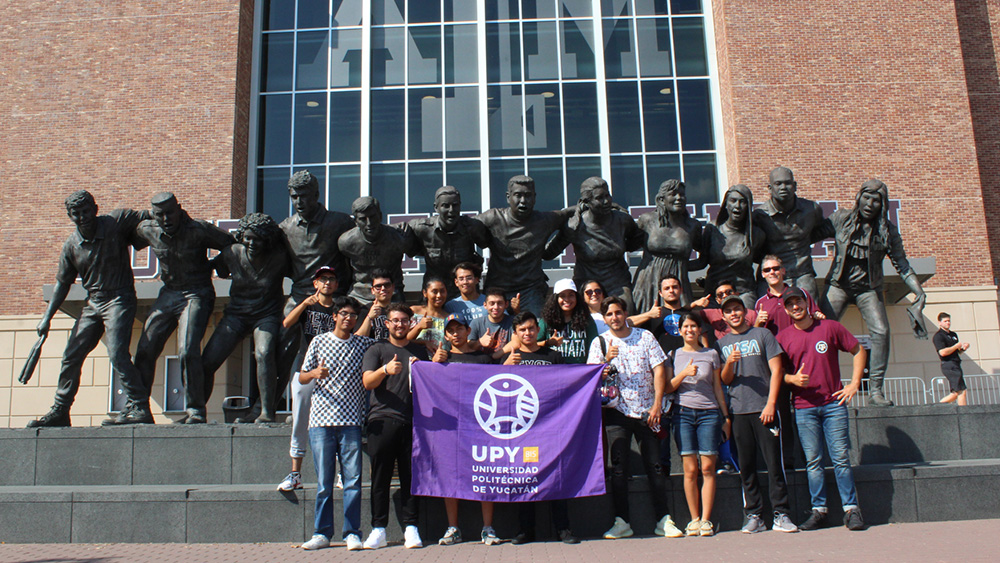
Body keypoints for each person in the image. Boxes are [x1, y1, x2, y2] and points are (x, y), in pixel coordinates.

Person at [111, 192, 234, 426]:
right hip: (169, 293)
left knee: (187, 350)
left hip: (197, 292)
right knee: (146, 349)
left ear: (179, 208)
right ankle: (137, 407)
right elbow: (122, 236)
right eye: (160, 215)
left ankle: (195, 409)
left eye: (170, 212)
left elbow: (230, 244)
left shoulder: (199, 230)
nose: (166, 218)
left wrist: (217, 265)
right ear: (153, 215)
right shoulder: (148, 229)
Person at [28, 191, 149, 428]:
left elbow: (152, 215)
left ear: (95, 208)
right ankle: (61, 410)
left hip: (119, 298)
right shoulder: (71, 246)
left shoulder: (116, 222)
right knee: (71, 355)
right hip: (93, 302)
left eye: (85, 211)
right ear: (69, 215)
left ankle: (139, 406)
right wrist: (47, 318)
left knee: (117, 353)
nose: (82, 217)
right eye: (76, 213)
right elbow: (63, 284)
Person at [820, 179, 928, 406]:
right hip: (838, 286)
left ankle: (875, 390)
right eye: (867, 197)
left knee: (881, 331)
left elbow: (903, 265)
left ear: (882, 204)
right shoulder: (840, 218)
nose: (870, 203)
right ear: (859, 197)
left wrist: (919, 293)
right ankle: (823, 387)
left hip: (868, 289)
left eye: (876, 200)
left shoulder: (887, 231)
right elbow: (807, 236)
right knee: (820, 333)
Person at [587, 296, 683, 540]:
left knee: (655, 466)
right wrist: (606, 361)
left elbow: (659, 369)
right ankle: (622, 521)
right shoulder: (599, 342)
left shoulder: (645, 337)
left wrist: (657, 405)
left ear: (625, 313)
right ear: (604, 317)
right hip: (616, 412)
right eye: (609, 314)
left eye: (618, 313)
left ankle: (664, 519)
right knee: (619, 469)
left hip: (647, 411)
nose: (614, 318)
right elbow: (590, 378)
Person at [777, 287, 867, 532]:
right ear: (785, 309)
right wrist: (791, 380)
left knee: (840, 458)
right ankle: (819, 511)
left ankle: (851, 510)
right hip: (804, 408)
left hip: (833, 405)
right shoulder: (783, 338)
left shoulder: (829, 328)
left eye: (798, 302)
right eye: (790, 304)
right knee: (813, 462)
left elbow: (858, 350)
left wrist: (854, 384)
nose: (795, 307)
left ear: (807, 303)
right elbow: (776, 374)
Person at [716, 295, 798, 533]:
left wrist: (771, 403)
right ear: (723, 316)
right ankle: (754, 515)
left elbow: (777, 370)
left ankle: (781, 514)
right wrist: (729, 363)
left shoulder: (763, 335)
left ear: (745, 312)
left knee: (774, 464)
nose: (734, 314)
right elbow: (725, 380)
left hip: (765, 409)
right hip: (739, 410)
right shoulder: (722, 344)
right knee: (747, 466)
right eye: (729, 311)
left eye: (737, 309)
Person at [277, 170, 354, 420]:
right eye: (294, 196)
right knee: (282, 344)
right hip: (300, 296)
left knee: (328, 350)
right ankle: (270, 404)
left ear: (317, 195)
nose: (299, 201)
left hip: (332, 298)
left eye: (304, 196)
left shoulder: (340, 222)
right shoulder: (285, 228)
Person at [298, 296, 374, 551]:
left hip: (351, 422)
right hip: (320, 422)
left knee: (353, 481)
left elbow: (391, 348)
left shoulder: (364, 344)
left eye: (353, 315)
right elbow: (301, 376)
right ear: (335, 316)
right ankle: (322, 533)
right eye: (343, 313)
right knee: (324, 483)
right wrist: (314, 374)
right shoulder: (319, 341)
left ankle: (352, 532)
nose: (348, 318)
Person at [200, 213, 290, 423]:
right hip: (236, 315)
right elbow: (219, 270)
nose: (251, 243)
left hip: (266, 315)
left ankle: (267, 412)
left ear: (267, 240)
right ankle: (196, 411)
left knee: (264, 354)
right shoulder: (231, 253)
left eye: (257, 239)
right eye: (247, 238)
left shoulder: (280, 258)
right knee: (208, 361)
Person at [500, 312, 579, 545]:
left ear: (538, 329)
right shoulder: (511, 358)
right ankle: (526, 530)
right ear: (516, 334)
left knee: (557, 477)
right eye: (522, 330)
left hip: (550, 429)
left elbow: (567, 387)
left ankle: (563, 529)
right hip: (522, 430)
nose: (528, 333)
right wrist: (504, 367)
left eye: (531, 328)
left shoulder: (553, 356)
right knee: (523, 478)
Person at [361, 304, 428, 549]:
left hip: (413, 423)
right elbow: (367, 382)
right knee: (381, 478)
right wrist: (384, 370)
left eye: (404, 320)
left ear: (411, 323)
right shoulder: (376, 348)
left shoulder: (419, 351)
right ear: (387, 324)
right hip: (381, 421)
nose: (399, 324)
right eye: (395, 321)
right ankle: (378, 529)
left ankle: (412, 528)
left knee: (411, 479)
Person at [432, 314, 498, 545]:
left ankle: (488, 528)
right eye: (450, 330)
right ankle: (453, 528)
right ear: (446, 335)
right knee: (451, 475)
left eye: (459, 328)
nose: (455, 333)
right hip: (451, 428)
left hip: (481, 427)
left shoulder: (483, 359)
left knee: (486, 475)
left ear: (468, 331)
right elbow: (428, 386)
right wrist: (435, 365)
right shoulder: (442, 359)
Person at [473, 175, 574, 315]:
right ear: (508, 197)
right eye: (518, 195)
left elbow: (568, 213)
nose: (523, 201)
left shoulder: (544, 220)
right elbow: (465, 228)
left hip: (530, 290)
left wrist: (595, 206)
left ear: (534, 197)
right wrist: (474, 261)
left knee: (536, 330)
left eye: (528, 196)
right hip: (498, 290)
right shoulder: (493, 217)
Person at [277, 266, 339, 492]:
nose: (327, 283)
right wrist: (303, 303)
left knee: (336, 422)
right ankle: (295, 474)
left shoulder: (339, 308)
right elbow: (286, 323)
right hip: (305, 368)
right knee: (300, 421)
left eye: (331, 279)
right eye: (323, 279)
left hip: (334, 372)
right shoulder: (308, 306)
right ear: (316, 283)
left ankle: (340, 474)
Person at [667, 313, 729, 537]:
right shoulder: (674, 354)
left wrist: (726, 416)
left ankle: (706, 520)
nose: (690, 330)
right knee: (690, 470)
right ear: (680, 330)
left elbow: (718, 388)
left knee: (707, 468)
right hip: (682, 414)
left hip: (709, 414)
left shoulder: (711, 353)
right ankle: (693, 519)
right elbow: (667, 387)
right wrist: (683, 373)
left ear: (699, 330)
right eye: (686, 326)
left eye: (694, 326)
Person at [544, 177, 644, 312]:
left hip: (617, 282)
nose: (606, 201)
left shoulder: (623, 220)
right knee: (583, 320)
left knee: (626, 312)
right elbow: (548, 254)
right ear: (587, 202)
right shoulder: (576, 226)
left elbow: (637, 240)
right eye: (600, 198)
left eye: (607, 195)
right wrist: (562, 220)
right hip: (587, 286)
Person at [753, 167, 833, 300]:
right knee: (765, 314)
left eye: (787, 183)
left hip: (802, 274)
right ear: (770, 187)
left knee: (809, 313)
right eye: (778, 184)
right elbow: (753, 250)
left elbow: (819, 232)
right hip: (772, 274)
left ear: (795, 186)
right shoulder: (759, 216)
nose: (783, 187)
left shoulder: (811, 210)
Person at [632, 179, 705, 312]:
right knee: (645, 321)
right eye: (673, 194)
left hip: (678, 284)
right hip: (648, 282)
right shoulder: (647, 220)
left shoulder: (692, 226)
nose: (679, 198)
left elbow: (704, 258)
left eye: (682, 195)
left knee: (682, 322)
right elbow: (628, 245)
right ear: (661, 199)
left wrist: (681, 265)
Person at [408, 186, 490, 297]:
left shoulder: (472, 227)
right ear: (436, 207)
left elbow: (492, 244)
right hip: (436, 296)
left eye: (455, 205)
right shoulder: (421, 228)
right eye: (445, 206)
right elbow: (395, 238)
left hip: (464, 296)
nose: (451, 210)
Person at [338, 196, 419, 305]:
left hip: (392, 296)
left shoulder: (398, 237)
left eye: (372, 217)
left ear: (380, 216)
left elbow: (422, 250)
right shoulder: (346, 242)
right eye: (363, 219)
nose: (369, 223)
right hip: (359, 296)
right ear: (356, 221)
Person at [701, 184, 765, 309]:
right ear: (726, 204)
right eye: (733, 201)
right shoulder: (713, 229)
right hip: (715, 293)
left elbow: (765, 263)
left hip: (744, 292)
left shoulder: (757, 234)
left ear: (748, 206)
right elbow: (702, 261)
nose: (737, 206)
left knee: (747, 323)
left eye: (742, 202)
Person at [755, 255, 823, 336]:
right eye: (767, 270)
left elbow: (816, 318)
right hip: (775, 347)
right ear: (763, 274)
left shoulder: (800, 293)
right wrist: (757, 323)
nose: (772, 272)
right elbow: (757, 334)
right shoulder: (760, 303)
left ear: (783, 271)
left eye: (776, 268)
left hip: (800, 344)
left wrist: (818, 316)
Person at [538, 279, 599, 364]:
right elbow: (532, 345)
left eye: (571, 295)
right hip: (554, 371)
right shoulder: (546, 320)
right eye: (562, 296)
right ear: (555, 298)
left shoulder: (586, 319)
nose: (567, 299)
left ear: (576, 297)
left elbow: (595, 347)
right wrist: (548, 343)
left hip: (580, 371)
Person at [691, 280, 760, 342]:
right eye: (720, 295)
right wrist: (694, 304)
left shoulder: (751, 314)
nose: (725, 296)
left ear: (737, 294)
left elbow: (758, 334)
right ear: (717, 300)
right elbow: (686, 314)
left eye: (728, 292)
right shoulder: (713, 313)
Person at [934, 312, 970, 405]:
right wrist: (955, 346)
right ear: (940, 322)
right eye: (945, 321)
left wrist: (963, 348)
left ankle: (937, 406)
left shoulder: (953, 334)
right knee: (961, 391)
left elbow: (957, 352)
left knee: (956, 393)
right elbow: (942, 352)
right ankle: (963, 414)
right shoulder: (938, 336)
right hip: (948, 365)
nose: (948, 323)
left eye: (949, 321)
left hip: (956, 363)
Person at [469, 288, 515, 360]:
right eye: (492, 303)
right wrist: (479, 342)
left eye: (500, 303)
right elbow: (468, 346)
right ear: (485, 305)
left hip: (506, 364)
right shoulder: (476, 323)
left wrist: (494, 356)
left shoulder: (513, 322)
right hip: (481, 365)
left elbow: (516, 342)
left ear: (506, 304)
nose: (496, 307)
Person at [408, 277, 449, 352]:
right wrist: (419, 327)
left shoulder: (449, 318)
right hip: (417, 360)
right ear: (425, 293)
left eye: (442, 291)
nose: (439, 295)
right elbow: (403, 340)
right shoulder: (414, 311)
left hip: (442, 361)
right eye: (434, 292)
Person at [354, 269, 393, 341]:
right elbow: (357, 339)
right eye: (378, 286)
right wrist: (369, 318)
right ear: (372, 290)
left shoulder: (398, 310)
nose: (383, 289)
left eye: (387, 285)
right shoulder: (365, 310)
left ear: (393, 287)